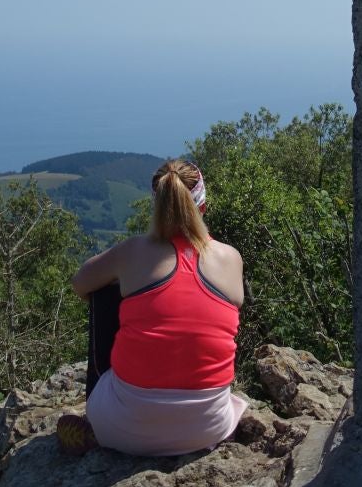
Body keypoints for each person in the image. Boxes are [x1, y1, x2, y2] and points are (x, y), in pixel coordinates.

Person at [57, 158, 247, 457]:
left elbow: (80, 283)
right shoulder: (231, 258)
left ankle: (97, 429)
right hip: (208, 427)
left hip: (123, 427)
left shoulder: (131, 252)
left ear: (157, 207)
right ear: (203, 207)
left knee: (105, 292)